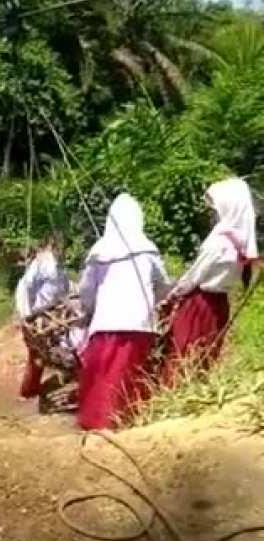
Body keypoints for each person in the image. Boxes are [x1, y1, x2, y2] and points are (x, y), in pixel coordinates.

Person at [77, 192, 172, 430]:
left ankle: (97, 423)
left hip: (106, 322)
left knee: (101, 374)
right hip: (139, 323)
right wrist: (154, 303)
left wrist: (88, 311)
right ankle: (126, 424)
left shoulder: (100, 250)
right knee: (129, 374)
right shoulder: (148, 249)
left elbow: (86, 289)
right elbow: (163, 286)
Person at [161, 177, 258, 387]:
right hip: (219, 305)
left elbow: (194, 277)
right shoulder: (241, 242)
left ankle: (176, 397)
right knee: (205, 354)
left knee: (184, 354)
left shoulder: (220, 242)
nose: (212, 213)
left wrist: (171, 296)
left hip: (199, 304)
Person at [15, 234, 70, 398]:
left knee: (56, 350)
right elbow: (24, 287)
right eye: (59, 247)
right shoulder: (41, 262)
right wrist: (25, 314)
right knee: (37, 355)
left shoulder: (59, 265)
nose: (62, 251)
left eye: (64, 248)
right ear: (52, 245)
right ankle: (27, 392)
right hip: (39, 315)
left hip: (55, 314)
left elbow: (63, 286)